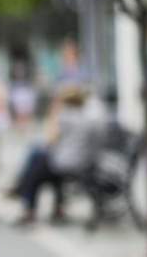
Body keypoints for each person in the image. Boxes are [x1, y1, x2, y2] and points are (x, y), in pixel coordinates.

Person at [6, 86, 104, 226]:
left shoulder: (66, 117)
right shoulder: (86, 117)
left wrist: (54, 112)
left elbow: (50, 140)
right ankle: (54, 207)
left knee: (36, 166)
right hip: (85, 162)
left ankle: (27, 205)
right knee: (39, 159)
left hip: (70, 164)